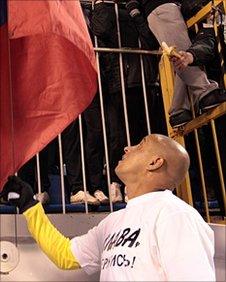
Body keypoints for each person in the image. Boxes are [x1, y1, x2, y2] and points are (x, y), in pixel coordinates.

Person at [1, 134, 215, 281]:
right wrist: (30, 206)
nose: (127, 148)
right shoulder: (114, 221)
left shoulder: (175, 215)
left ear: (155, 162)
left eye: (140, 146)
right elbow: (64, 254)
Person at [127, 0, 226, 128]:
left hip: (160, 9)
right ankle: (205, 92)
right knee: (182, 54)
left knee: (183, 54)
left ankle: (178, 109)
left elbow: (133, 6)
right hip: (162, 8)